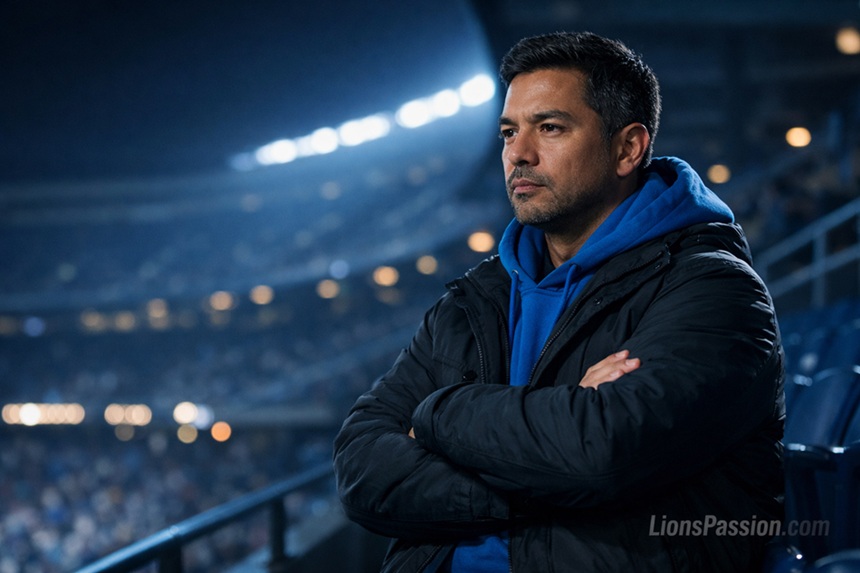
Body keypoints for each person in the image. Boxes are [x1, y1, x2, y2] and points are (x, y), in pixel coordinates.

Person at [333, 31, 784, 572]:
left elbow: (602, 454)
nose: (518, 154)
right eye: (508, 132)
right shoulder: (475, 298)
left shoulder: (713, 289)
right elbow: (360, 468)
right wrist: (543, 465)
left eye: (549, 128)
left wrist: (436, 413)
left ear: (628, 148)